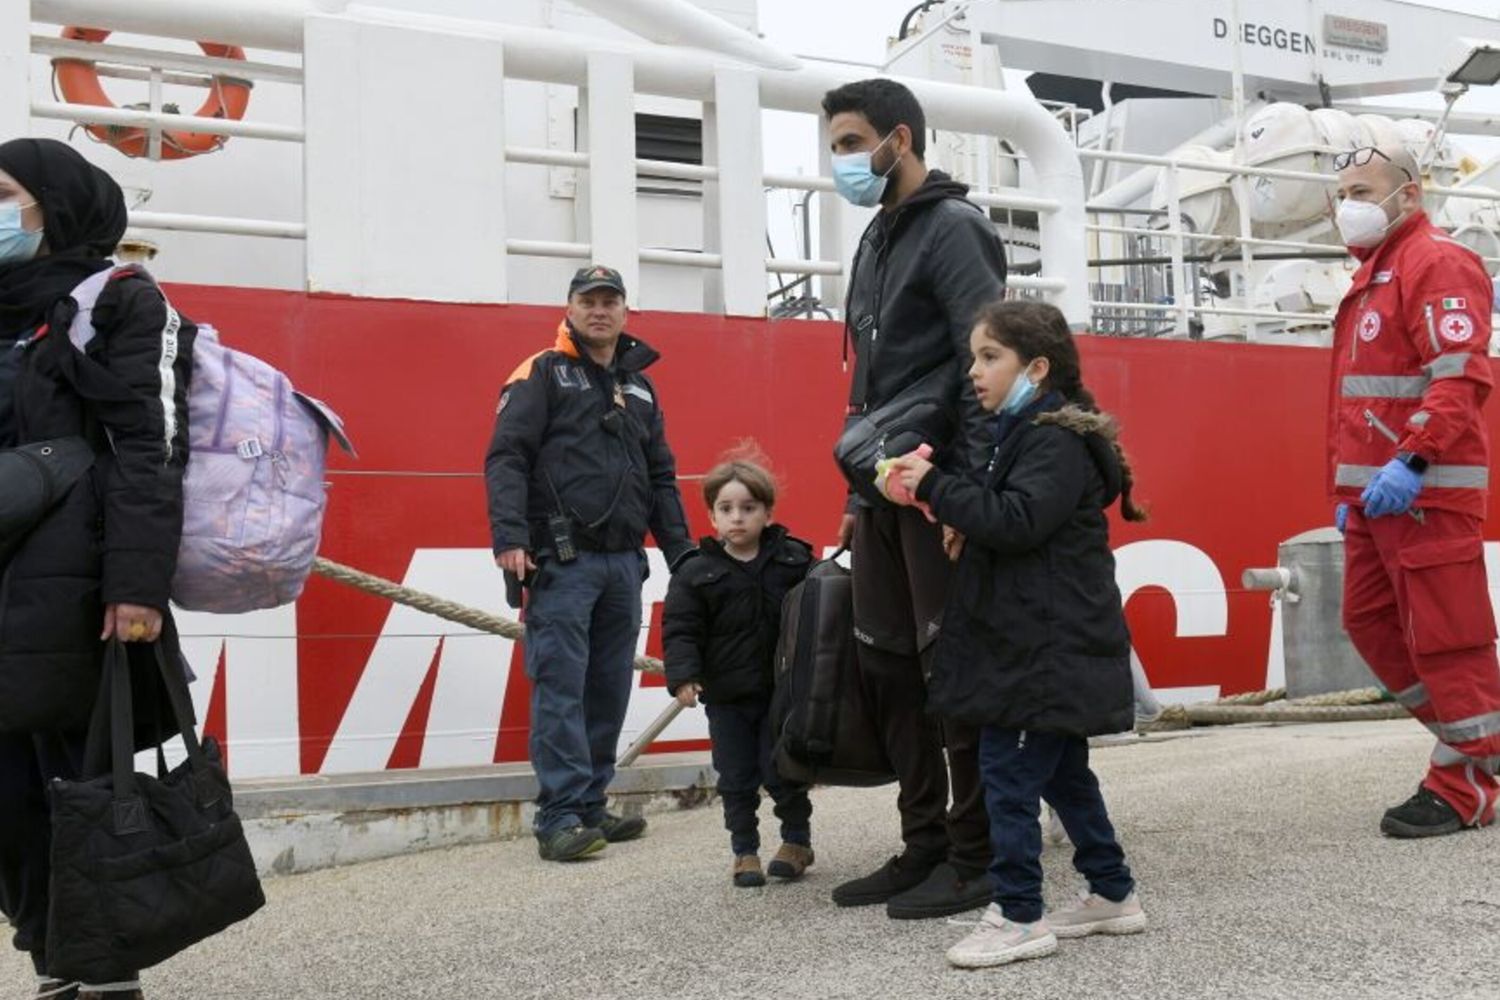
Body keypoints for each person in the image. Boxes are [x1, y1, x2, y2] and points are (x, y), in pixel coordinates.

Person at [888, 298, 1148, 969]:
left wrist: (936, 486)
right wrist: (960, 515)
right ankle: (1112, 891)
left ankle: (1019, 913)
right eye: (974, 356)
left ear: (1036, 368)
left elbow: (1019, 520)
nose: (974, 371)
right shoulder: (1030, 432)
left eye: (990, 356)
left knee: (1006, 772)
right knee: (1063, 773)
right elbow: (1019, 522)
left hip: (1043, 649)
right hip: (1040, 642)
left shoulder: (1050, 440)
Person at [0, 138, 196, 1000]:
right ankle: (52, 955)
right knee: (6, 797)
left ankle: (105, 973)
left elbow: (150, 447)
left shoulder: (119, 300)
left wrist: (136, 586)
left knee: (79, 786)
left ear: (59, 201)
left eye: (5, 193)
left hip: (76, 587)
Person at [821, 78, 1006, 918]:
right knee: (889, 665)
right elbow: (871, 384)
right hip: (881, 489)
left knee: (952, 667)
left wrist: (971, 491)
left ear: (900, 139)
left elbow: (987, 360)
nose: (841, 160)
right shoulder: (878, 237)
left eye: (852, 143)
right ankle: (924, 841)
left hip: (937, 486)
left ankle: (978, 854)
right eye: (834, 146)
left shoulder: (954, 228)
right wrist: (858, 491)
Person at [485, 264, 696, 862]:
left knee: (608, 687)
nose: (599, 311)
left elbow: (661, 477)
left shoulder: (641, 388)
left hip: (624, 564)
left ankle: (590, 803)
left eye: (610, 301)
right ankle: (558, 817)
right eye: (588, 301)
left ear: (625, 312)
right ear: (570, 308)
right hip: (563, 562)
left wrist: (682, 553)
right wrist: (510, 537)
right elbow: (506, 457)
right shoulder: (541, 373)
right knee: (560, 687)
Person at [1329, 143, 1500, 837]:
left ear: (1409, 194)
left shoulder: (1436, 262)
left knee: (1447, 641)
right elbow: (1362, 402)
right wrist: (1348, 491)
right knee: (1368, 622)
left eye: (1363, 191)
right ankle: (1484, 741)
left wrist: (1413, 460)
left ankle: (1466, 783)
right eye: (1342, 193)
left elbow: (1461, 377)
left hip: (1425, 492)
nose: (1348, 206)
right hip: (1377, 500)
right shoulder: (1376, 274)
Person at [662, 452, 814, 887]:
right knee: (735, 777)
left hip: (782, 695)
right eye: (726, 508)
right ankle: (744, 851)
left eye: (748, 508)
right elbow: (681, 629)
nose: (737, 517)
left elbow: (820, 618)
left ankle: (797, 842)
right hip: (727, 698)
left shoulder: (794, 560)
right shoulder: (695, 572)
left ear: (768, 512)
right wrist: (684, 676)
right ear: (712, 516)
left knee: (784, 772)